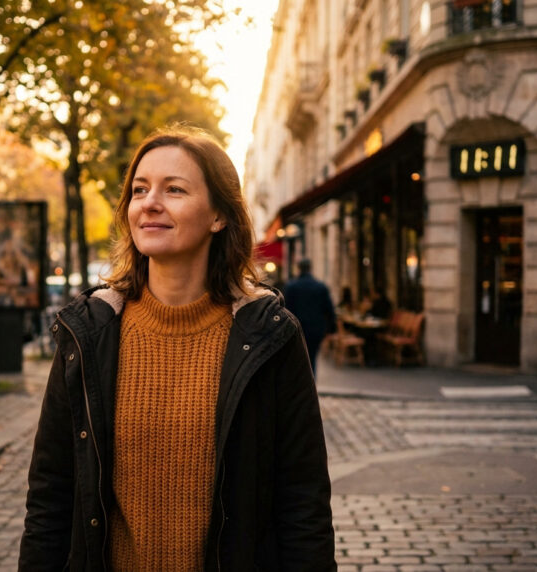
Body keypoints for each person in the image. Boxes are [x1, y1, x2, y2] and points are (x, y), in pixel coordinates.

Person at [18, 126, 335, 571]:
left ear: (219, 216)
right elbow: (51, 497)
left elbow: (303, 504)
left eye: (175, 190)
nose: (149, 202)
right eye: (140, 189)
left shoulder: (270, 336)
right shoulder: (89, 333)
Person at [284, 258, 337, 374]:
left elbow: (286, 309)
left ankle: (301, 385)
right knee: (311, 357)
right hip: (316, 328)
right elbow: (329, 309)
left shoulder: (292, 287)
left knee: (298, 357)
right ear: (310, 268)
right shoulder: (320, 287)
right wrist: (331, 329)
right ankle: (311, 383)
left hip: (296, 328)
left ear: (299, 269)